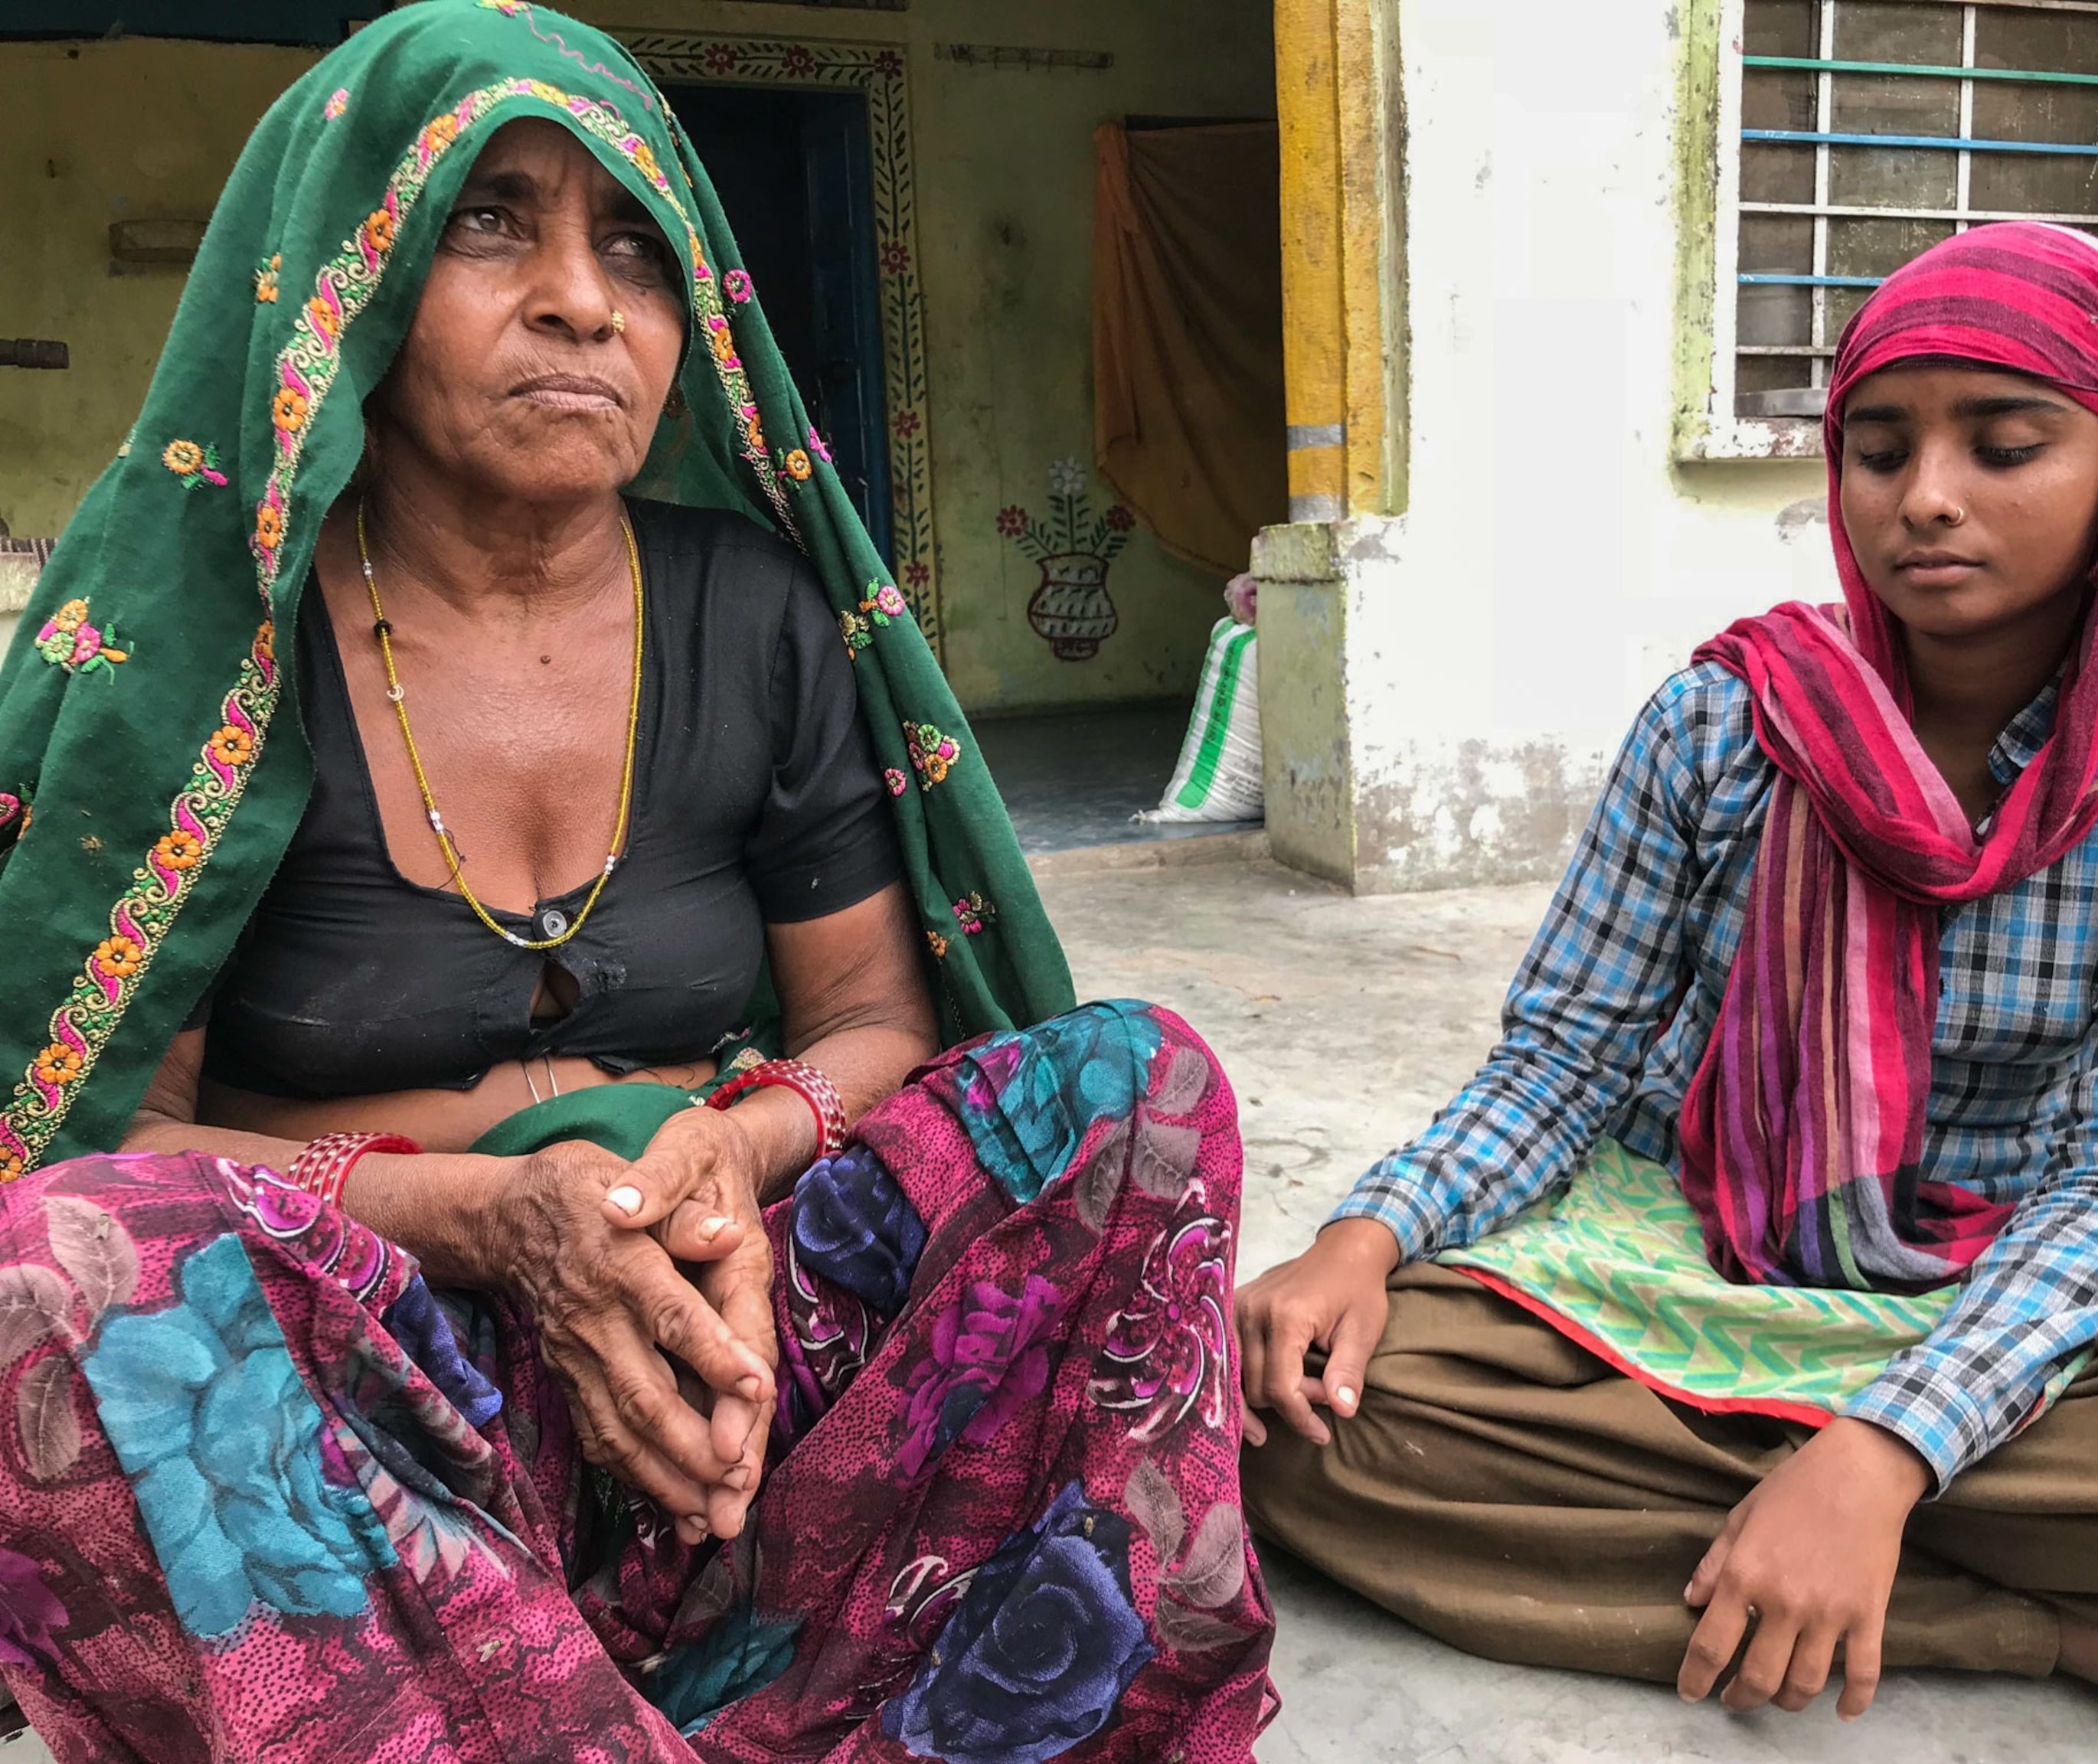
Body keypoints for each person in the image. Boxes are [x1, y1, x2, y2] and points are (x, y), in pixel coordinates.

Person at [0, 7, 1274, 1760]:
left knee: (1132, 1087)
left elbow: (871, 1018)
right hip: (374, 1366)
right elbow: (120, 1146)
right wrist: (493, 1223)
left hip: (726, 1327)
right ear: (344, 279)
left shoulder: (755, 614)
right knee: (50, 1274)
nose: (583, 303)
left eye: (634, 249)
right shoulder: (217, 643)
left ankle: (864, 1697)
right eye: (488, 222)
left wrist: (731, 1152)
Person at [1237, 222, 2098, 1764]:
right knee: (1304, 1431)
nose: (1927, 498)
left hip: (2015, 1301)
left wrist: (1890, 1447)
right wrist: (1361, 1240)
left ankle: (1836, 1532)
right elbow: (1562, 1063)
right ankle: (2030, 1624)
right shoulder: (1723, 720)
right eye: (1879, 451)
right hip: (1688, 1265)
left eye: (2006, 443)